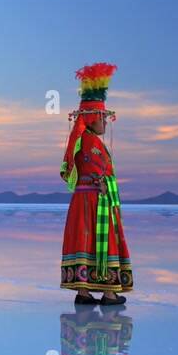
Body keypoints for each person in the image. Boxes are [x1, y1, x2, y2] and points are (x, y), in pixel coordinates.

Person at [59, 63, 133, 305]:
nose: (105, 122)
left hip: (85, 200)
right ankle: (109, 292)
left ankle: (83, 290)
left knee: (85, 239)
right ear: (92, 118)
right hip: (94, 200)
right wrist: (103, 184)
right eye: (103, 117)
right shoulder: (89, 143)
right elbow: (98, 172)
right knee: (101, 239)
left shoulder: (84, 141)